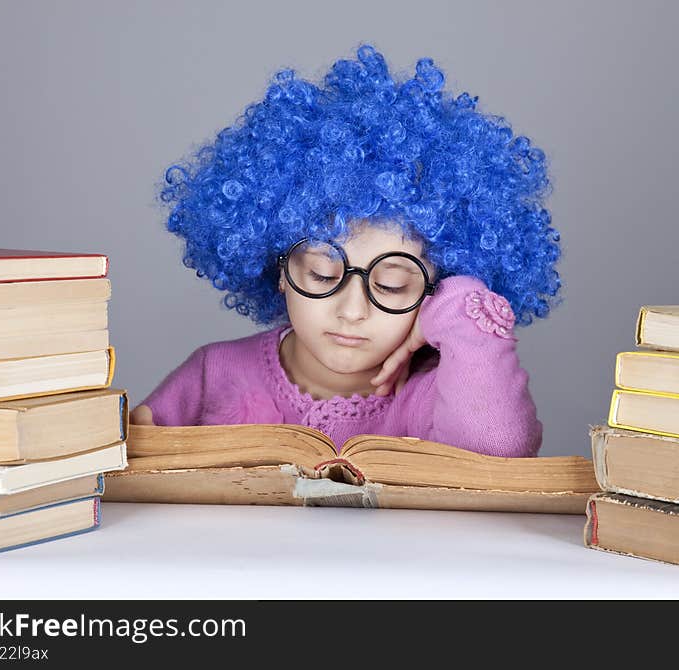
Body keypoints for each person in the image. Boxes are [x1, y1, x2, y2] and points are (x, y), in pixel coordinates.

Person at [130, 44, 562, 458]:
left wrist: (456, 304)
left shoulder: (432, 391)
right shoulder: (215, 372)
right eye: (322, 274)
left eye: (393, 285)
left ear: (434, 285)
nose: (352, 310)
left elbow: (497, 449)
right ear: (279, 267)